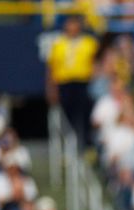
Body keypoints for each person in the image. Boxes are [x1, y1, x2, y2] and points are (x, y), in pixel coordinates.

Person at [46, 16, 99, 146]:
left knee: (85, 112)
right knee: (67, 113)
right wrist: (51, 88)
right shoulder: (58, 44)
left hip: (83, 82)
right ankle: (70, 141)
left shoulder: (89, 43)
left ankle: (86, 141)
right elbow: (51, 68)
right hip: (65, 83)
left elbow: (96, 63)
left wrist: (95, 79)